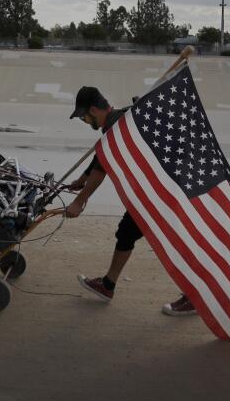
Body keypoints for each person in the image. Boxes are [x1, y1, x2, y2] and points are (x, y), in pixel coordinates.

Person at [65, 85, 196, 316]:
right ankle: (108, 285)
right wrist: (81, 179)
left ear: (94, 110)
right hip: (155, 191)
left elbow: (101, 169)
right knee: (126, 233)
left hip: (161, 191)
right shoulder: (119, 120)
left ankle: (194, 297)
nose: (85, 121)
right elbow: (101, 157)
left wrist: (79, 201)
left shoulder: (117, 126)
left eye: (84, 116)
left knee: (172, 242)